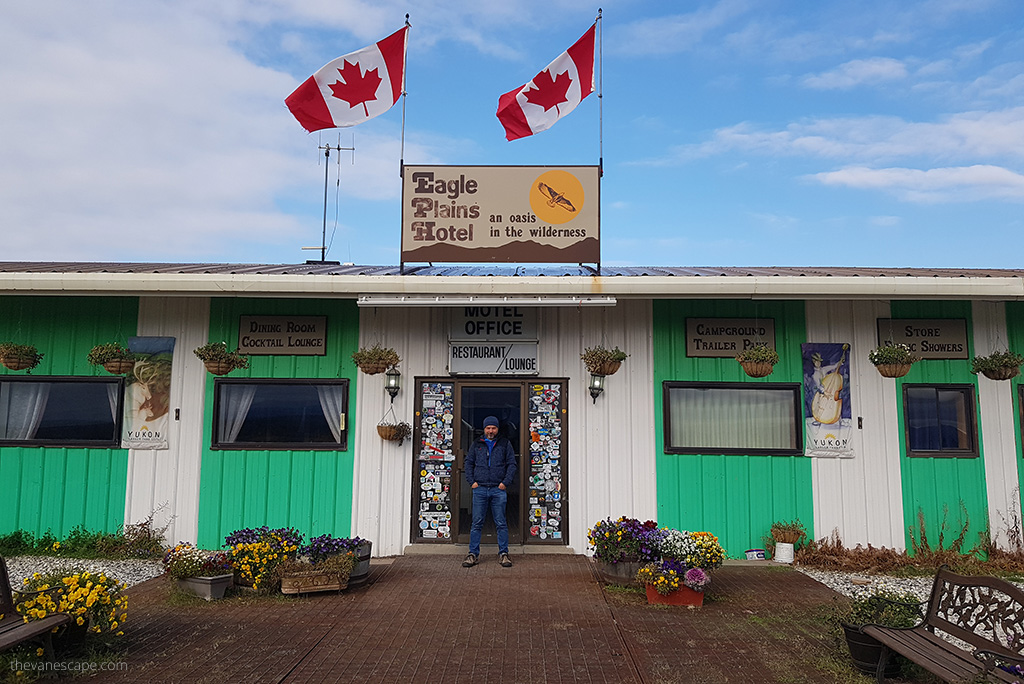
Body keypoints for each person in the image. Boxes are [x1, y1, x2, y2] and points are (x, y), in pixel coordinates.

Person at [463, 415, 517, 568]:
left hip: (498, 489)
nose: (491, 431)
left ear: (497, 429)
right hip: (479, 488)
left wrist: (505, 483)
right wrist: (471, 481)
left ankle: (504, 554)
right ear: (484, 429)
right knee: (477, 523)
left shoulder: (505, 444)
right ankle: (472, 554)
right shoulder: (477, 444)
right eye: (488, 428)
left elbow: (512, 464)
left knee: (501, 523)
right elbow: (468, 463)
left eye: (493, 428)